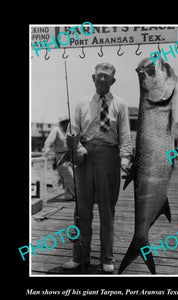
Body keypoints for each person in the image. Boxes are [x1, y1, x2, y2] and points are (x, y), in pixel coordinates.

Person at [63, 63, 132, 273]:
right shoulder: (81, 103)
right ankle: (79, 256)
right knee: (80, 211)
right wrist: (77, 147)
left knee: (107, 212)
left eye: (106, 77)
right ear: (93, 78)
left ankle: (107, 258)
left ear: (113, 81)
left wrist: (125, 159)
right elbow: (73, 130)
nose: (102, 80)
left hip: (109, 156)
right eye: (99, 76)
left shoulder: (120, 104)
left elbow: (126, 135)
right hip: (84, 156)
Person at [42, 116, 75, 200]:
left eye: (69, 122)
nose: (68, 124)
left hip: (69, 156)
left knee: (67, 178)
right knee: (71, 176)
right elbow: (48, 142)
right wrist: (47, 150)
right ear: (62, 123)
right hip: (60, 157)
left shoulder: (69, 131)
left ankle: (68, 196)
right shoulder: (56, 130)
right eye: (66, 122)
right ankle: (78, 196)